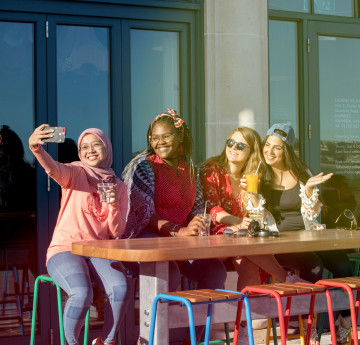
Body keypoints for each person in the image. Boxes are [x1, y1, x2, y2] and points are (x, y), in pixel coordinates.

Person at [122, 109, 227, 344]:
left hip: (179, 240)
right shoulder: (145, 166)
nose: (159, 142)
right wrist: (178, 230)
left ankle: (189, 337)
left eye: (166, 136)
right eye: (154, 138)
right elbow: (143, 214)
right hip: (145, 238)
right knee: (169, 272)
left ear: (180, 137)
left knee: (215, 271)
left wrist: (195, 221)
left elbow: (196, 208)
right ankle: (152, 338)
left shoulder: (190, 168)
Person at [29, 124, 129, 345]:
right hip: (66, 249)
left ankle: (108, 341)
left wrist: (112, 205)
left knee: (120, 287)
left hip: (98, 250)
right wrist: (36, 147)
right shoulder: (75, 173)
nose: (90, 150)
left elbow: (116, 232)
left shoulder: (119, 187)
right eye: (84, 146)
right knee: (81, 293)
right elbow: (52, 168)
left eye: (96, 145)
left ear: (107, 149)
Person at [259, 123, 354, 344]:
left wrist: (309, 190)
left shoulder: (302, 173)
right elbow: (255, 215)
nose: (269, 152)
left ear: (287, 150)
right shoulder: (259, 174)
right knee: (314, 267)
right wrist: (252, 194)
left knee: (344, 266)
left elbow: (312, 212)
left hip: (307, 238)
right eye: (267, 145)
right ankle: (308, 328)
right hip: (278, 242)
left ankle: (345, 321)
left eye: (277, 147)